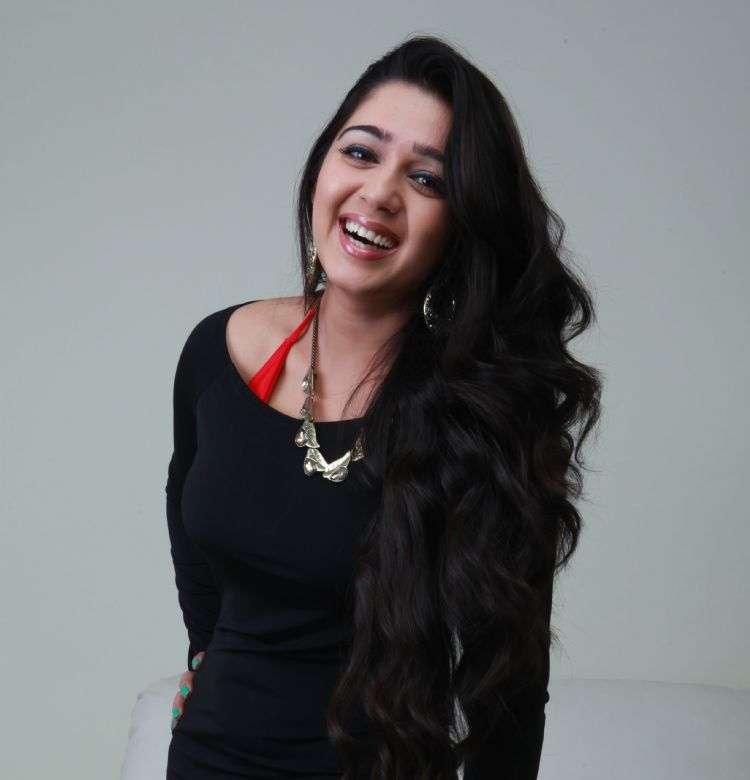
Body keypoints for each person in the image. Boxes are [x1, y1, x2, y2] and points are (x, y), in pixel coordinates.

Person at [164, 34, 602, 780]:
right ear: (322, 167)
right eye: (361, 152)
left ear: (462, 224)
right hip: (208, 759)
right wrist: (205, 656)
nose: (379, 193)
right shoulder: (220, 353)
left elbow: (511, 693)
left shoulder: (488, 415)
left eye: (427, 179)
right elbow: (188, 523)